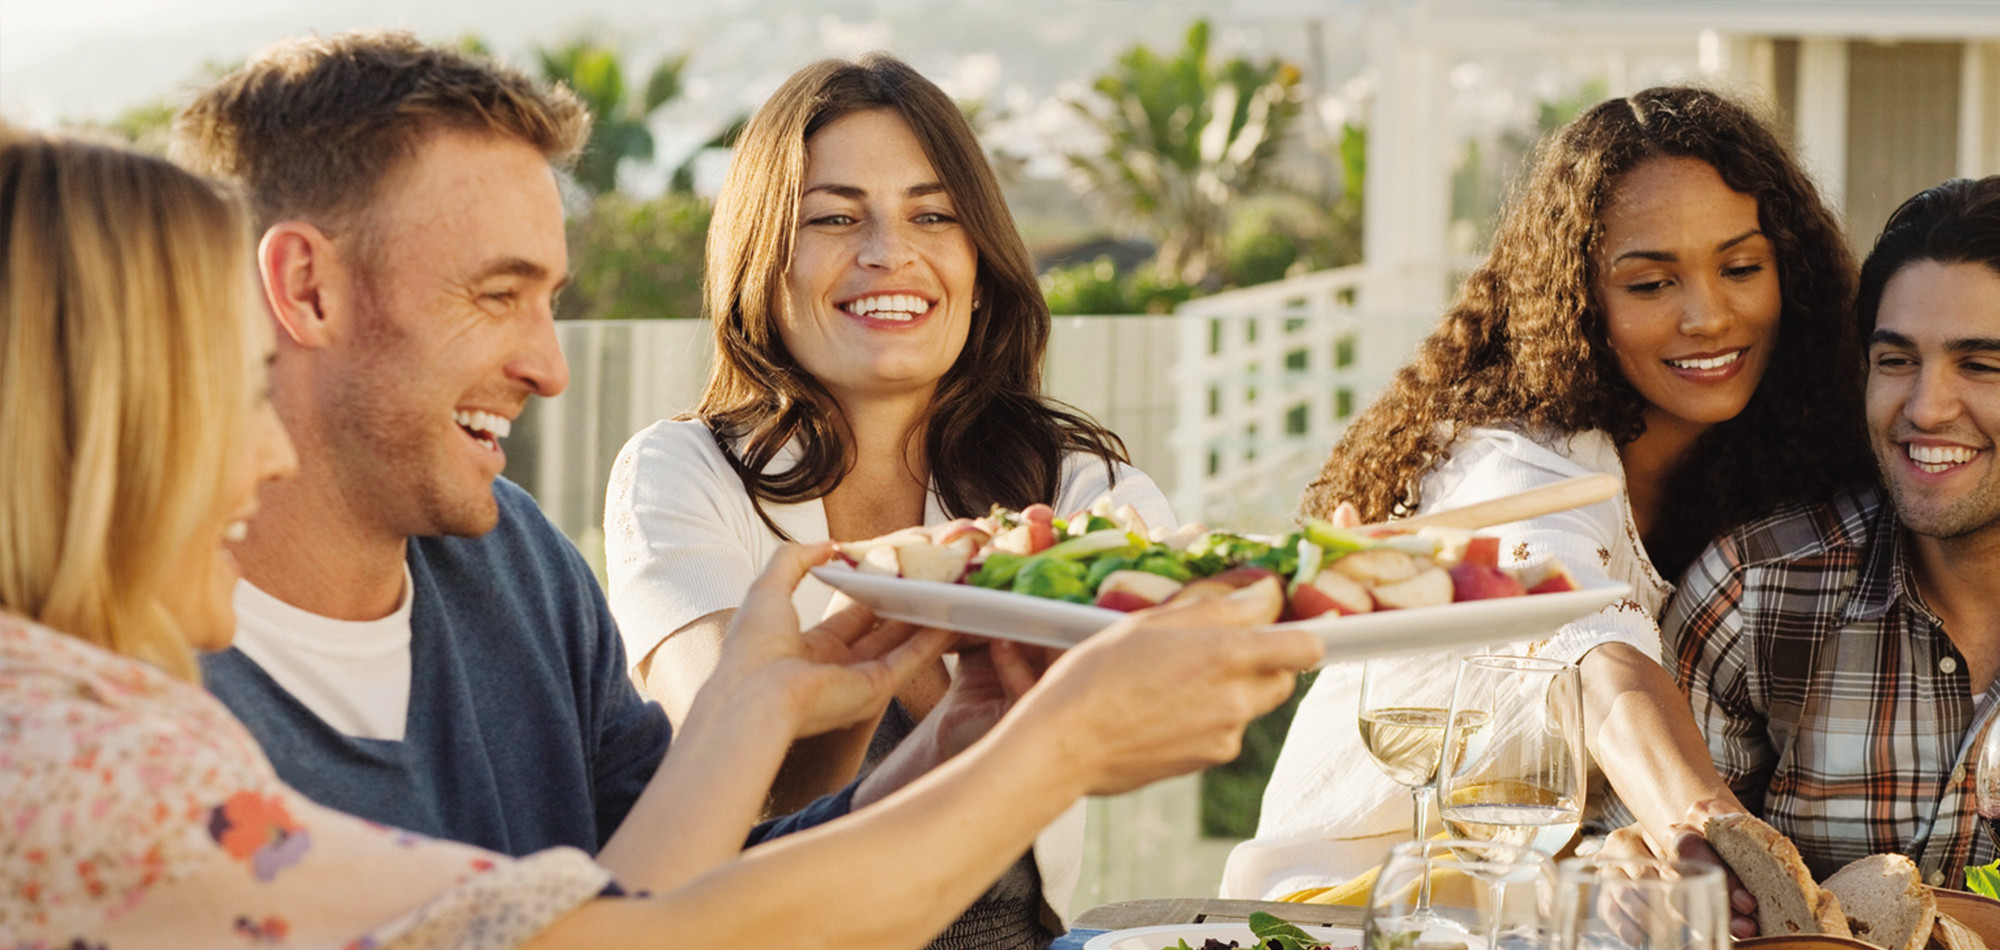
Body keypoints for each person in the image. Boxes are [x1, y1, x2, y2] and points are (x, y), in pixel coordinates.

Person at [0, 128, 1324, 950]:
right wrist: (1066, 741)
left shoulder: (504, 556)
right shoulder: (80, 763)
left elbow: (640, 895)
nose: (554, 366)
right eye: (235, 389)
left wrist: (918, 734)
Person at [1224, 86, 1873, 909]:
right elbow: (1590, 651)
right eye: (1650, 285)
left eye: (1741, 268)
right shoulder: (1509, 462)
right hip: (1343, 907)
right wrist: (1704, 824)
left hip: (1553, 907)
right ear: (1580, 298)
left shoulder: (1769, 465)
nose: (1709, 315)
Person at [602, 54, 1173, 941]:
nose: (888, 252)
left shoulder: (1077, 486)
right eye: (834, 217)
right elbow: (733, 772)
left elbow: (1161, 693)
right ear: (765, 262)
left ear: (978, 266)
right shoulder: (682, 472)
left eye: (933, 214)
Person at [1664, 176, 2000, 887]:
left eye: (1981, 366)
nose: (1927, 408)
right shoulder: (1754, 592)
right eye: (1896, 361)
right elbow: (1648, 883)